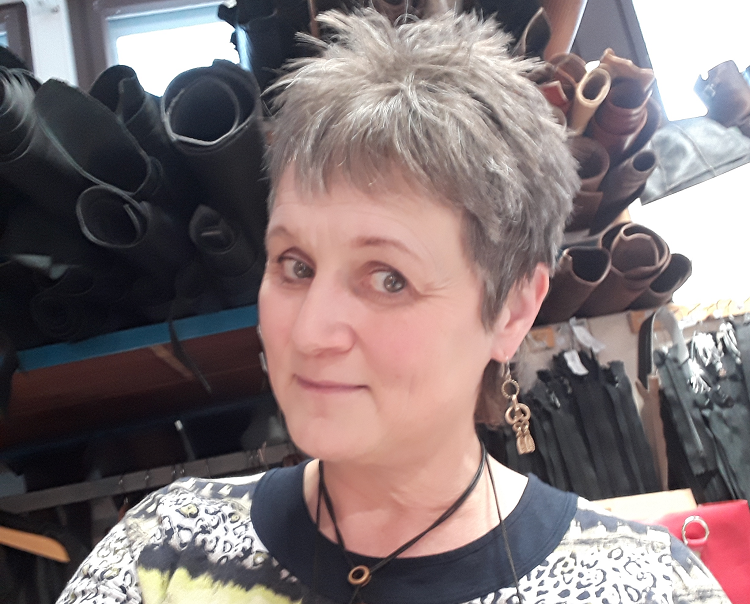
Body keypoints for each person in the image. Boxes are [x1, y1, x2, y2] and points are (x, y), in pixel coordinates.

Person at [57, 9, 729, 604]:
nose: (310, 333)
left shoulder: (644, 586)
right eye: (295, 266)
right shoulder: (161, 556)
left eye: (388, 280)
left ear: (512, 310)